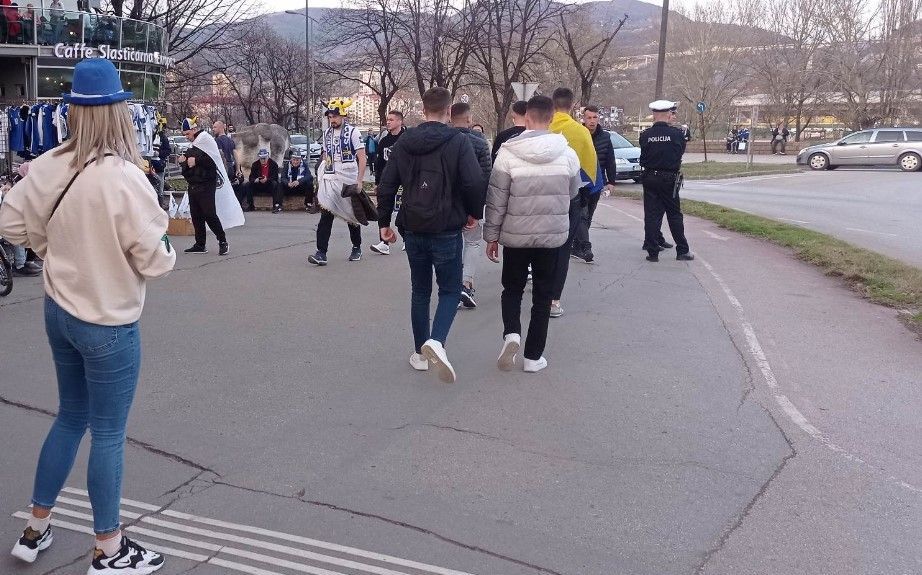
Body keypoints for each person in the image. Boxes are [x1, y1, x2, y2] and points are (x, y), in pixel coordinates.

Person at [0, 57, 175, 575]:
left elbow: (10, 224)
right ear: (120, 112)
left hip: (58, 310)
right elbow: (157, 261)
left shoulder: (48, 164)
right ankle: (109, 547)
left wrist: (49, 245)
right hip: (107, 319)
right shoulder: (125, 178)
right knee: (109, 433)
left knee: (70, 417)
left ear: (73, 110)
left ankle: (35, 527)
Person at [377, 87, 484, 384]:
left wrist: (383, 222)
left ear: (423, 111)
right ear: (449, 111)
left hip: (412, 225)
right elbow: (474, 182)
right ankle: (436, 341)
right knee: (450, 290)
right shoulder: (459, 141)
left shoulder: (404, 142)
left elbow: (387, 184)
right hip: (447, 226)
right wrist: (474, 212)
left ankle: (420, 354)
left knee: (420, 291)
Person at [484, 95, 581, 373]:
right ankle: (533, 357)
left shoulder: (507, 153)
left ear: (526, 118)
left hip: (516, 236)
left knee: (512, 289)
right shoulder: (567, 153)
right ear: (551, 118)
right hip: (552, 237)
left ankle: (511, 333)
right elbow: (574, 192)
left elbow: (496, 199)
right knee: (542, 295)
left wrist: (491, 236)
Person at [547, 87, 600, 318]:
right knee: (563, 249)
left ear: (553, 104)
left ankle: (538, 289)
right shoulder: (581, 132)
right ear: (572, 105)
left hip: (543, 197)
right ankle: (553, 300)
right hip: (570, 198)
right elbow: (590, 168)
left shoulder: (544, 129)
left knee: (541, 246)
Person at [309, 98, 367, 266]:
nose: (332, 120)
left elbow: (362, 158)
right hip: (330, 178)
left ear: (343, 116)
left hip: (348, 178)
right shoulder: (326, 133)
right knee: (326, 214)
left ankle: (356, 247)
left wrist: (359, 181)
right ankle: (321, 252)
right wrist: (321, 175)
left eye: (335, 116)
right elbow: (325, 155)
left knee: (351, 215)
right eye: (330, 117)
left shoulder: (353, 132)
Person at [179, 116, 245, 255]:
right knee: (196, 215)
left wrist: (196, 161)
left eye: (187, 134)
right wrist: (184, 162)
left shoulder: (206, 139)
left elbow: (213, 162)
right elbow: (188, 165)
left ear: (194, 130)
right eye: (185, 135)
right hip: (194, 184)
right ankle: (200, 244)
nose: (186, 137)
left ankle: (222, 241)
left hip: (206, 184)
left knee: (209, 214)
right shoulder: (193, 145)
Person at [639, 100, 693, 262]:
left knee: (651, 215)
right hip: (669, 178)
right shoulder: (677, 134)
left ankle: (652, 252)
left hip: (649, 177)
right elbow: (680, 153)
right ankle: (682, 250)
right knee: (674, 214)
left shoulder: (645, 135)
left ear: (654, 115)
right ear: (669, 114)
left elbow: (644, 155)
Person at [450, 101, 491, 309]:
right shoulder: (480, 142)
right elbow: (484, 177)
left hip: (446, 203)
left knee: (451, 242)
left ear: (450, 118)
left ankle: (452, 285)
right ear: (469, 119)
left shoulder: (444, 140)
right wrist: (477, 209)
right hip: (470, 202)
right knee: (473, 242)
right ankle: (465, 284)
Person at [576, 105, 617, 263]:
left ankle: (578, 243)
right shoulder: (579, 133)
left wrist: (611, 181)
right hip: (581, 182)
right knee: (582, 214)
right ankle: (585, 247)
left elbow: (610, 160)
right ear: (583, 119)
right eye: (589, 118)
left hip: (597, 183)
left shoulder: (605, 137)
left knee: (589, 215)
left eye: (595, 117)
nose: (592, 121)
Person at [370, 110, 406, 255]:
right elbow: (379, 163)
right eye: (387, 119)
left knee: (405, 209)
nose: (388, 122)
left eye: (391, 119)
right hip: (387, 180)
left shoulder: (407, 138)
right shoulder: (384, 141)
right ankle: (384, 243)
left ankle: (407, 239)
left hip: (405, 180)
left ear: (399, 121)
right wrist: (377, 182)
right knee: (383, 210)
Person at [245, 149, 282, 213]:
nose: (263, 160)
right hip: (258, 184)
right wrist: (256, 180)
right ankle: (250, 205)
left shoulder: (273, 164)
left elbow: (275, 177)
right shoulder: (255, 164)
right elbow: (251, 178)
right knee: (248, 185)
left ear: (268, 157)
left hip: (269, 185)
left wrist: (267, 179)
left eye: (265, 158)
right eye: (261, 158)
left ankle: (276, 205)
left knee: (275, 184)